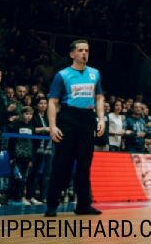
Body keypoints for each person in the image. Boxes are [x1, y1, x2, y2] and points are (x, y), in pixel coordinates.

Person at [45, 39, 104, 217]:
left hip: (87, 119)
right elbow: (53, 101)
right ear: (72, 54)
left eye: (86, 50)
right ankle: (52, 205)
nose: (84, 53)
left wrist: (101, 119)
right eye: (80, 50)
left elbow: (99, 97)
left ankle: (83, 205)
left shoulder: (95, 73)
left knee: (85, 165)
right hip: (68, 118)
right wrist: (52, 126)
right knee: (61, 164)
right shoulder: (62, 75)